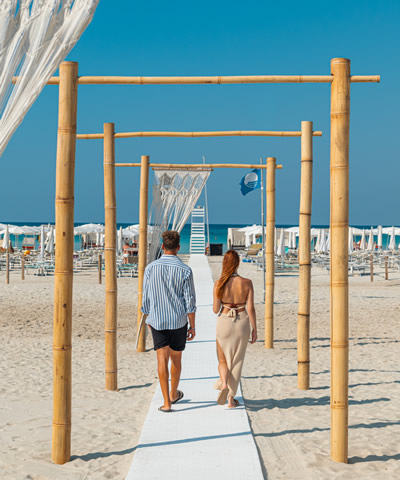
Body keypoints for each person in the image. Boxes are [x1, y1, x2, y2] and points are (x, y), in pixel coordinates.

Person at [141, 230, 196, 412]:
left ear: (163, 246)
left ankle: (166, 402)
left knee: (161, 360)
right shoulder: (185, 270)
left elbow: (146, 298)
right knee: (176, 359)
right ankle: (173, 393)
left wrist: (147, 316)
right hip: (178, 320)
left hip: (157, 320)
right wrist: (192, 326)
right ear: (178, 248)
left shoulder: (150, 268)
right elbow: (190, 301)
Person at [213, 250, 257, 408]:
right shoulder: (247, 282)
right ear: (238, 263)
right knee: (237, 361)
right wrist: (254, 329)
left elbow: (215, 309)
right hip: (242, 321)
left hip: (224, 320)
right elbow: (251, 308)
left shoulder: (219, 283)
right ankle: (231, 399)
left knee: (223, 359)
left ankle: (224, 384)